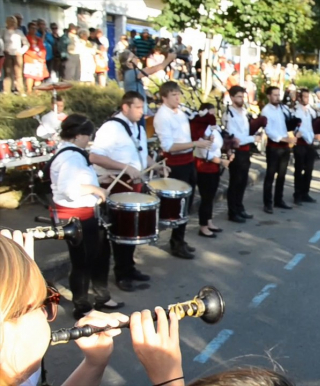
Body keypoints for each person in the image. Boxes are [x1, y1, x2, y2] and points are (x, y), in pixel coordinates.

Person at [0, 231, 186, 386]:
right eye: (45, 301)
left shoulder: (12, 371)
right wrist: (170, 380)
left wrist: (94, 363)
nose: (47, 312)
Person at [90, 92, 167, 292]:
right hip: (118, 183)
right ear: (126, 107)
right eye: (138, 107)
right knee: (120, 230)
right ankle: (121, 274)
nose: (142, 112)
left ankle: (129, 267)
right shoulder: (111, 128)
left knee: (132, 229)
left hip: (135, 183)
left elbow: (142, 155)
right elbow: (95, 156)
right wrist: (125, 167)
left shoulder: (138, 128)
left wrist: (156, 166)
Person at [49, 114, 124, 319]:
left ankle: (102, 297)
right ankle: (81, 307)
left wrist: (99, 179)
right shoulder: (70, 156)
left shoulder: (73, 153)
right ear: (79, 135)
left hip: (89, 214)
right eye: (88, 136)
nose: (89, 140)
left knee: (101, 255)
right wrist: (95, 188)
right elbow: (68, 189)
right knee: (82, 263)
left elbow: (78, 179)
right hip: (76, 218)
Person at [154, 81, 211, 259]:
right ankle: (176, 243)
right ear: (164, 97)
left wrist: (201, 136)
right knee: (179, 204)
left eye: (178, 94)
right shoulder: (162, 116)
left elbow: (187, 136)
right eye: (173, 95)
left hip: (188, 160)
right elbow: (169, 146)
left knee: (188, 201)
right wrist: (195, 143)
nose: (178, 98)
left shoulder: (181, 113)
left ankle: (180, 238)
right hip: (176, 164)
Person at [191, 103, 234, 238]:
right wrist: (222, 161)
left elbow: (218, 145)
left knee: (211, 196)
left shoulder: (213, 128)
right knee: (206, 197)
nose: (213, 116)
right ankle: (203, 226)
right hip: (204, 167)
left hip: (214, 167)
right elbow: (206, 154)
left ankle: (208, 221)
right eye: (211, 113)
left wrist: (228, 151)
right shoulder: (200, 129)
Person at [224, 85, 262, 223]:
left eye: (242, 96)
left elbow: (246, 132)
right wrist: (252, 138)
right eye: (239, 96)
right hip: (237, 151)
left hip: (246, 151)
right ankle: (232, 212)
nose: (241, 99)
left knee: (243, 181)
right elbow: (235, 137)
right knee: (235, 182)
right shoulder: (229, 114)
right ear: (232, 97)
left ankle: (240, 208)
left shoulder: (244, 112)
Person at [261, 86, 296, 213]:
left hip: (285, 146)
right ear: (269, 96)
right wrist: (283, 139)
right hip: (274, 146)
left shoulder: (283, 108)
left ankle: (278, 199)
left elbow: (289, 122)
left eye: (278, 94)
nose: (277, 97)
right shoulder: (266, 111)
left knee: (282, 175)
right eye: (274, 95)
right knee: (270, 175)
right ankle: (267, 203)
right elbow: (269, 131)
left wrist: (295, 130)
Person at [119, 49, 176, 126]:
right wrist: (168, 59)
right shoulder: (131, 73)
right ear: (129, 63)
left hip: (138, 109)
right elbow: (154, 69)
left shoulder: (130, 73)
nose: (137, 58)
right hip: (136, 110)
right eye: (134, 57)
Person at [292, 88, 320, 205]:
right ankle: (297, 194)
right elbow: (294, 127)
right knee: (299, 169)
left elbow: (315, 123)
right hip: (300, 143)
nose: (306, 99)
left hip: (309, 143)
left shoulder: (310, 110)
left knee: (309, 169)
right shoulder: (295, 111)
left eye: (307, 97)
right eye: (304, 97)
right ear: (299, 98)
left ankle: (305, 193)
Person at [2, 16, 28, 95]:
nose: (12, 23)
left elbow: (26, 44)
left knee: (18, 73)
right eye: (10, 21)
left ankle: (21, 91)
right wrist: (4, 49)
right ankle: (7, 91)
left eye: (13, 21)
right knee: (8, 74)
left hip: (17, 54)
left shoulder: (19, 32)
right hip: (7, 54)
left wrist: (21, 51)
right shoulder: (3, 31)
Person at [23, 22, 48, 94]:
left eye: (35, 28)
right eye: (32, 28)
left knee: (38, 77)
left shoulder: (38, 39)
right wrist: (36, 58)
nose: (34, 30)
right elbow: (27, 50)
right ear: (29, 29)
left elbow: (43, 49)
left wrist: (42, 58)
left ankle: (38, 92)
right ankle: (29, 91)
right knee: (30, 77)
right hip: (30, 60)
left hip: (39, 61)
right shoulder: (26, 38)